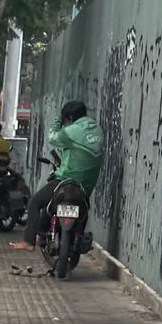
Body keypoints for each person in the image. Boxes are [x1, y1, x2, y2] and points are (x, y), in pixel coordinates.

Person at [26, 97, 103, 238]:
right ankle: (78, 236)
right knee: (84, 211)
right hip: (86, 186)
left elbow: (53, 137)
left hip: (67, 179)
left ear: (69, 118)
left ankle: (30, 240)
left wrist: (57, 122)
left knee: (35, 202)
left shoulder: (71, 131)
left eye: (65, 121)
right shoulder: (97, 130)